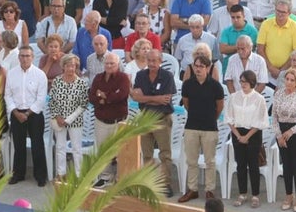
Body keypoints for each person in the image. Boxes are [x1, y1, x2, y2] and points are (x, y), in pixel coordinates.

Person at [178, 55, 225, 202]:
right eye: (196, 66)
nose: (198, 69)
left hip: (210, 128)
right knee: (191, 160)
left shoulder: (216, 86)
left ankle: (210, 190)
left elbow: (219, 107)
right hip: (191, 126)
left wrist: (211, 118)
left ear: (208, 68)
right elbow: (186, 104)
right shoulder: (187, 85)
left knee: (210, 161)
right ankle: (192, 189)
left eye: (201, 66)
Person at [132, 49, 177, 197]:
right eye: (149, 60)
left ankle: (165, 184)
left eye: (154, 61)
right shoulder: (140, 75)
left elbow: (166, 99)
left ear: (160, 61)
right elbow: (137, 98)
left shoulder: (167, 76)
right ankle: (149, 183)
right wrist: (155, 99)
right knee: (146, 154)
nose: (151, 63)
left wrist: (146, 97)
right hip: (145, 118)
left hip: (161, 118)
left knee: (165, 153)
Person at [6, 47, 49, 186]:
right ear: (18, 57)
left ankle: (40, 176)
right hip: (16, 113)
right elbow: (7, 95)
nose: (24, 58)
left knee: (37, 145)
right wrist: (15, 112)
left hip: (34, 114)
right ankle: (18, 174)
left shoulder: (40, 74)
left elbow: (41, 98)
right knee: (19, 146)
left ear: (32, 57)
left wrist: (28, 113)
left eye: (27, 56)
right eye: (22, 56)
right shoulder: (11, 74)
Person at [224, 70, 267, 208]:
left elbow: (261, 121)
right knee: (240, 164)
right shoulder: (234, 97)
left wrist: (247, 136)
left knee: (253, 165)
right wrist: (238, 136)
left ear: (252, 83)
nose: (243, 84)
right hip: (237, 132)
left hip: (253, 133)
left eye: (246, 82)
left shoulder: (259, 99)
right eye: (241, 81)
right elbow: (229, 118)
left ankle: (255, 194)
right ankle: (242, 193)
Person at [89, 51, 130, 186]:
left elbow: (121, 96)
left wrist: (104, 96)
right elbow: (92, 97)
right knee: (102, 151)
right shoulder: (98, 78)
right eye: (107, 63)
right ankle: (106, 177)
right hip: (101, 121)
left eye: (112, 63)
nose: (109, 65)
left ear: (117, 64)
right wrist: (107, 97)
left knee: (120, 151)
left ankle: (120, 178)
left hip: (118, 121)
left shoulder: (123, 78)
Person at [273, 68, 296, 212]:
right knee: (287, 166)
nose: (288, 82)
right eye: (287, 79)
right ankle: (288, 195)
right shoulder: (279, 94)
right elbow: (274, 117)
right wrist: (279, 135)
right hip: (282, 132)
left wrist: (291, 131)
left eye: (292, 80)